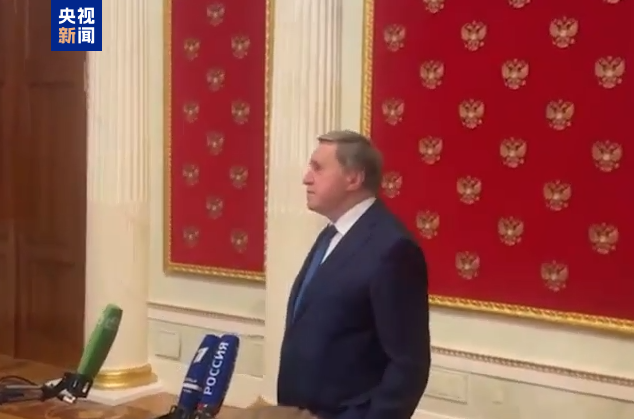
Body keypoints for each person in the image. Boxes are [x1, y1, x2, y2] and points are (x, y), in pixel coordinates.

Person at [276, 130, 431, 419]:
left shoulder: (393, 248)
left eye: (318, 168)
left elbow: (408, 364)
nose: (306, 178)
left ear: (353, 179)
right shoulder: (331, 235)